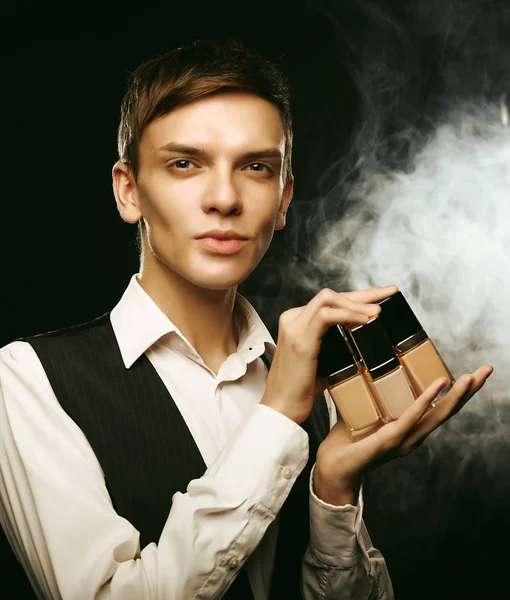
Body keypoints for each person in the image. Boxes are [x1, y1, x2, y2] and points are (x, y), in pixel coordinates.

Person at [0, 39, 492, 600]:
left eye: (256, 167)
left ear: (283, 201)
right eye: (185, 164)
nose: (225, 198)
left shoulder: (316, 391)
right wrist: (277, 413)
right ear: (129, 191)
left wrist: (333, 490)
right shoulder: (28, 379)